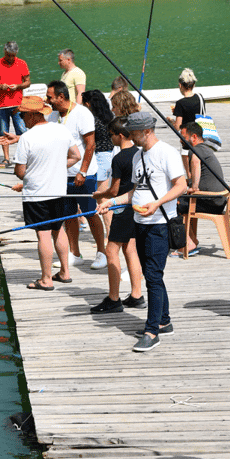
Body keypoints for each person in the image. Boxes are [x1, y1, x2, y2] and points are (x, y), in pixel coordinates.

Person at [98, 111, 186, 352]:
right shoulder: (138, 156)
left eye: (134, 133)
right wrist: (111, 202)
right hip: (140, 222)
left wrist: (157, 204)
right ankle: (164, 321)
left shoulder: (167, 153)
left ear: (147, 131)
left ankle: (151, 331)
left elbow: (182, 185)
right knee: (151, 273)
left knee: (154, 278)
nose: (131, 136)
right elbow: (135, 192)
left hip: (160, 223)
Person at [0, 96, 80, 291]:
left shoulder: (27, 137)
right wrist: (55, 167)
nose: (22, 119)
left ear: (34, 115)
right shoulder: (61, 129)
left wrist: (35, 173)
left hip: (37, 195)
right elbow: (76, 156)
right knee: (58, 229)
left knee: (43, 235)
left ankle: (46, 279)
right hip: (59, 191)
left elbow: (20, 172)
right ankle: (64, 272)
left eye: (24, 115)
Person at [41, 82, 106, 270]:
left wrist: (83, 171)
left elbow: (90, 144)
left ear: (61, 97)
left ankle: (101, 252)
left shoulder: (82, 113)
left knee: (91, 213)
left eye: (50, 97)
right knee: (68, 215)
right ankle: (75, 253)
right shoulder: (53, 115)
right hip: (62, 174)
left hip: (84, 174)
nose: (48, 100)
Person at [90, 116, 145, 314]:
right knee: (130, 249)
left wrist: (100, 195)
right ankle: (137, 295)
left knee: (111, 250)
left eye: (111, 135)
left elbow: (114, 191)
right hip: (137, 207)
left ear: (120, 135)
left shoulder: (119, 158)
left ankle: (114, 299)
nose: (110, 138)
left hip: (122, 209)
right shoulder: (140, 153)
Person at [171, 122, 226, 257]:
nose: (180, 140)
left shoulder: (196, 150)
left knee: (174, 204)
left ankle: (189, 243)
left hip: (210, 201)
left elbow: (195, 162)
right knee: (182, 201)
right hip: (219, 199)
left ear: (194, 137)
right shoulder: (206, 149)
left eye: (183, 136)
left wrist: (194, 187)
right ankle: (192, 239)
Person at [0, 41, 31, 167]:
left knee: (22, 131)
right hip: (2, 104)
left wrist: (17, 86)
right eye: (8, 55)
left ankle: (24, 158)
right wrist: (1, 86)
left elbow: (27, 82)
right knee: (3, 131)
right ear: (4, 52)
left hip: (18, 104)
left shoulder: (22, 63)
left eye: (13, 55)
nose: (10, 58)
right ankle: (6, 159)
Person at [84, 90, 116, 238]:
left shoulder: (92, 120)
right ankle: (110, 232)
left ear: (88, 104)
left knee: (102, 198)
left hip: (100, 158)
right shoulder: (109, 117)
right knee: (104, 196)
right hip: (110, 155)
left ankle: (110, 234)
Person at [172, 68, 201, 181]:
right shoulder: (199, 98)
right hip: (199, 136)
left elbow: (178, 127)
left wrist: (171, 120)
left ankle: (190, 177)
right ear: (193, 84)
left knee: (189, 172)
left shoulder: (180, 103)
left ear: (180, 85)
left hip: (187, 139)